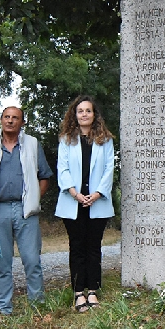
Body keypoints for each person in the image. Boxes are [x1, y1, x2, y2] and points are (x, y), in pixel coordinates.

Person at [0, 107, 53, 315]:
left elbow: (44, 176)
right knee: (2, 263)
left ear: (22, 123)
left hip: (25, 210)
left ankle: (37, 307)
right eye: (6, 117)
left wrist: (34, 199)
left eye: (15, 118)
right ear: (1, 120)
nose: (10, 121)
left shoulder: (33, 144)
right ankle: (4, 309)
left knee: (32, 261)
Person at [55, 95, 115, 312]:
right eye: (80, 111)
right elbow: (62, 169)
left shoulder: (105, 140)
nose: (84, 114)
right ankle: (79, 292)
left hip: (97, 202)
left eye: (88, 111)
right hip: (73, 202)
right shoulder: (66, 140)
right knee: (77, 247)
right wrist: (75, 193)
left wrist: (97, 193)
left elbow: (109, 168)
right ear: (75, 115)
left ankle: (93, 291)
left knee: (94, 248)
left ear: (94, 114)